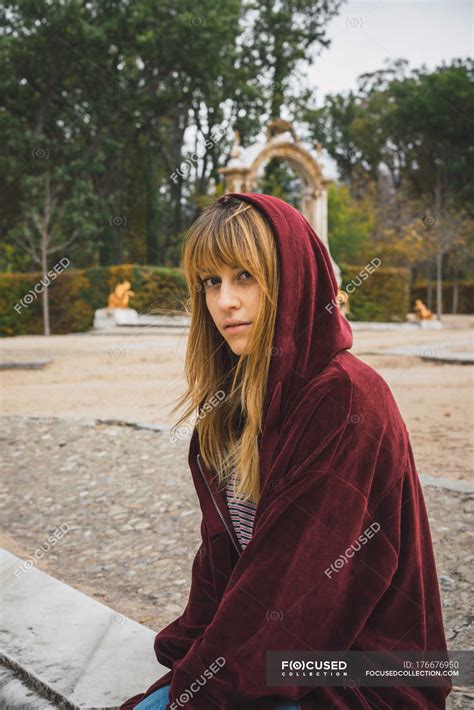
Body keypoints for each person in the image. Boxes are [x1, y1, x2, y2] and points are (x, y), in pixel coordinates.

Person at [120, 193, 451, 709]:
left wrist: (192, 694)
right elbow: (220, 567)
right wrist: (187, 671)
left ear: (291, 277)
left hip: (361, 671)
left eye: (244, 277)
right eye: (212, 281)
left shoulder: (345, 397)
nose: (225, 300)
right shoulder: (227, 408)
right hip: (273, 659)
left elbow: (294, 595)